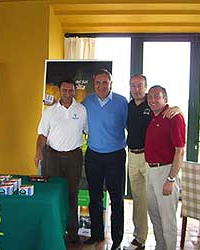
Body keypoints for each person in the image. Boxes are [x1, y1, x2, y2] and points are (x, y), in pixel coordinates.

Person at [125, 74, 181, 250]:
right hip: (135, 157)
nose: (136, 89)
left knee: (163, 209)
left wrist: (177, 108)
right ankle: (140, 238)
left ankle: (167, 245)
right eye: (133, 85)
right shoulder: (128, 106)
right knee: (142, 201)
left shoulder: (158, 110)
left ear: (146, 87)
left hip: (155, 162)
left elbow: (178, 145)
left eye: (140, 86)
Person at [34, 79, 87, 244]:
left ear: (74, 91)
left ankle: (72, 232)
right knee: (53, 193)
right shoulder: (49, 112)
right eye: (64, 90)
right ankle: (55, 230)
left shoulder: (82, 110)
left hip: (74, 157)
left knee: (72, 194)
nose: (68, 93)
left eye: (71, 90)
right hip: (53, 157)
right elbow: (42, 134)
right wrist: (38, 152)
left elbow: (88, 132)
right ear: (59, 90)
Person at [82, 69, 128, 250]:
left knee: (116, 199)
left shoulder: (121, 102)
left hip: (115, 156)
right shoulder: (87, 102)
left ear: (111, 83)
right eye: (98, 83)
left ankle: (117, 239)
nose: (101, 86)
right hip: (93, 155)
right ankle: (96, 234)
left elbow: (129, 125)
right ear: (94, 84)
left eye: (105, 82)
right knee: (94, 198)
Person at [145, 85, 186, 250]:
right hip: (151, 171)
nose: (153, 100)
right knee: (155, 216)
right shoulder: (154, 117)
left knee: (168, 220)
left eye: (157, 96)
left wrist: (171, 179)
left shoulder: (174, 117)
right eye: (150, 97)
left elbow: (180, 151)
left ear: (165, 99)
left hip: (166, 172)